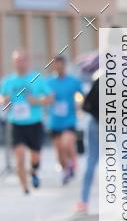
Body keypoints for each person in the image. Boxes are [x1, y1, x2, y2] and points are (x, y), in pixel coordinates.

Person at [0, 50, 52, 194]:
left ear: (27, 62)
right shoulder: (8, 81)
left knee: (35, 157)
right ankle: (25, 187)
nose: (20, 63)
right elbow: (2, 97)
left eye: (22, 60)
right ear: (13, 62)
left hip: (34, 123)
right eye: (17, 60)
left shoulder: (36, 78)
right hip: (16, 124)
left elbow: (50, 97)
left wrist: (37, 101)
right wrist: (4, 100)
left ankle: (34, 171)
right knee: (20, 155)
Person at [47, 54, 83, 185]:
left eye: (61, 65)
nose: (59, 68)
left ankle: (72, 161)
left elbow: (80, 95)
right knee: (59, 150)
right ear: (54, 66)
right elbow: (44, 97)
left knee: (67, 143)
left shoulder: (73, 81)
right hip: (55, 120)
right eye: (57, 66)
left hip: (69, 119)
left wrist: (78, 103)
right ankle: (65, 169)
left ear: (64, 66)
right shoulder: (49, 82)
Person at [75, 73, 100, 214]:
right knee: (119, 161)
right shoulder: (122, 81)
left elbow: (86, 105)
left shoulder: (100, 79)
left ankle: (83, 201)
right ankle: (126, 199)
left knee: (91, 162)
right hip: (113, 125)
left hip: (96, 123)